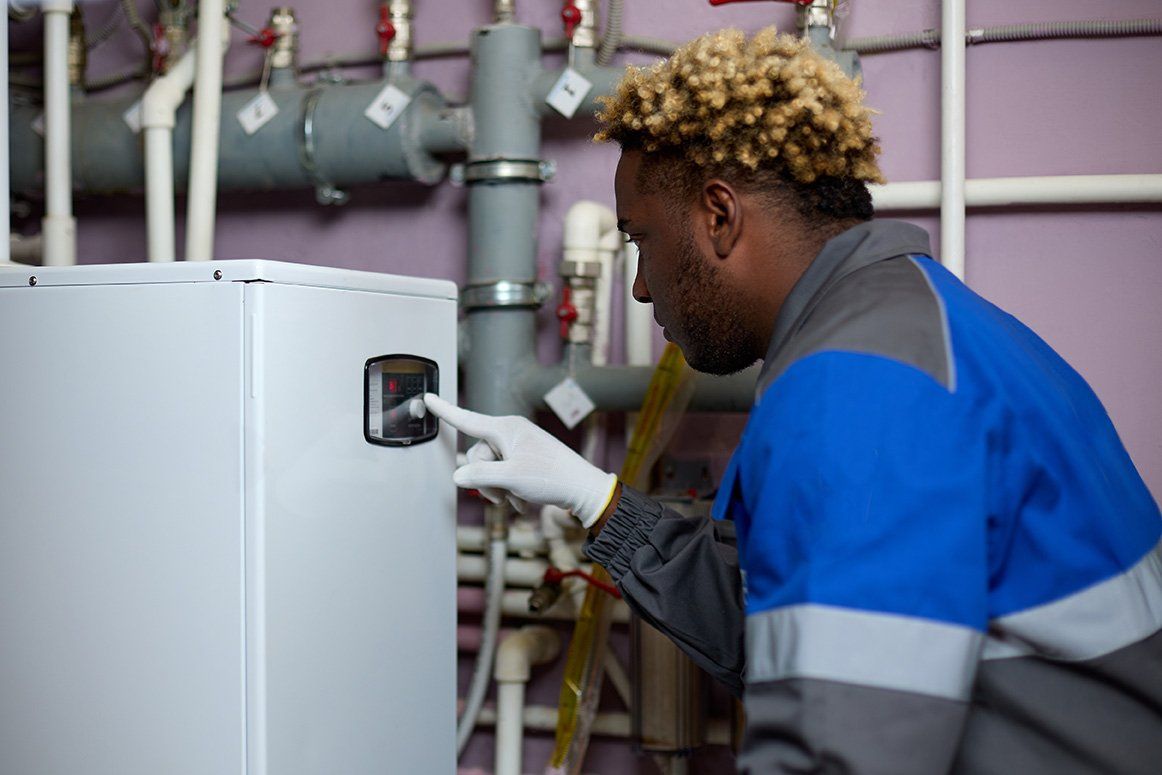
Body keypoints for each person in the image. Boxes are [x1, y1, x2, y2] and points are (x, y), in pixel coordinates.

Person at [424, 27, 1162, 774]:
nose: (642, 284)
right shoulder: (919, 325)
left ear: (718, 216)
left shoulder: (855, 391)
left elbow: (835, 755)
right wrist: (597, 500)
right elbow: (799, 623)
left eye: (641, 240)